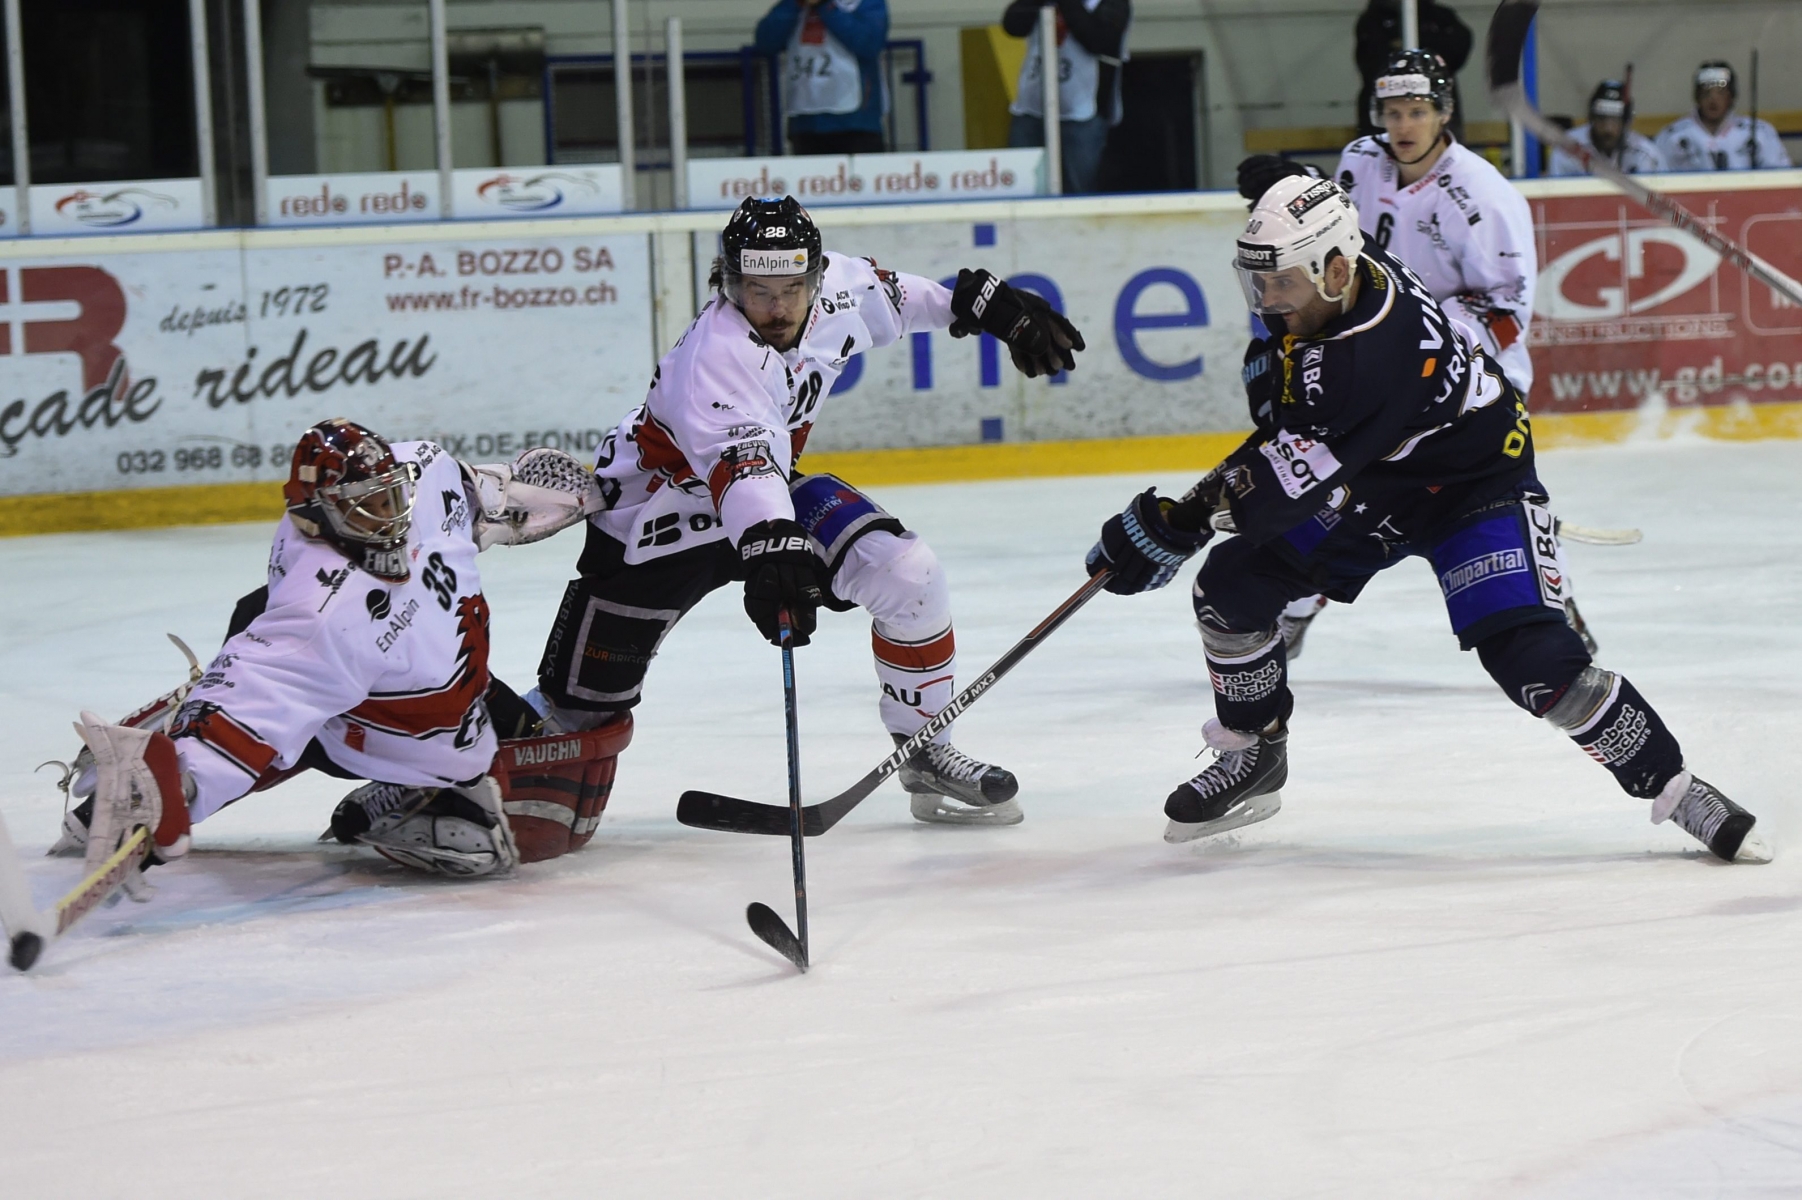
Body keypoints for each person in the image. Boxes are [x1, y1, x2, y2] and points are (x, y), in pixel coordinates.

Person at [1081, 174, 1771, 865]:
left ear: (1337, 270)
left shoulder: (1368, 358)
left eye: (1282, 283)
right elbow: (1291, 440)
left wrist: (1175, 522)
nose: (1268, 302)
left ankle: (1680, 790)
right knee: (1231, 589)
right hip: (1375, 480)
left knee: (1534, 661)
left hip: (1474, 487)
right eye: (1260, 283)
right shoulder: (1346, 278)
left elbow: (1277, 483)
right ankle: (1255, 754)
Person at [530, 196, 1085, 826]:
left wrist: (984, 307)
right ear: (729, 282)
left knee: (905, 572)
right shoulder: (715, 355)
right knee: (571, 720)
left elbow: (903, 300)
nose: (777, 308)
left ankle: (925, 748)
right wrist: (773, 545)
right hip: (654, 522)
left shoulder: (841, 292)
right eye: (758, 290)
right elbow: (742, 471)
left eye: (793, 288)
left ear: (816, 277)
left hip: (768, 498)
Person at [48, 420, 628, 881]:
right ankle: (168, 757)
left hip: (439, 689)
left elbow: (491, 497)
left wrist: (572, 498)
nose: (387, 518)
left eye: (388, 497)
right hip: (366, 726)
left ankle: (200, 720)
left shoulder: (423, 474)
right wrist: (178, 787)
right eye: (364, 507)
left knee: (522, 760)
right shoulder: (320, 613)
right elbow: (270, 695)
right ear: (315, 519)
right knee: (279, 709)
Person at [1239, 50, 1600, 658]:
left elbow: (1508, 314)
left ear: (1444, 112)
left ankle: (1550, 608)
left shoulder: (1483, 195)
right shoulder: (1360, 160)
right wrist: (1294, 186)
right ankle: (1295, 605)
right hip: (1373, 369)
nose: (1403, 126)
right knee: (1328, 486)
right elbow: (1339, 236)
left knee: (1482, 508)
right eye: (1392, 112)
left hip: (1471, 385)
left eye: (1418, 111)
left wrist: (1407, 332)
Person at [1003, 0, 1130, 194]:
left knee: (1080, 188)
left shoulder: (1112, 3)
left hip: (1084, 112)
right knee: (1022, 185)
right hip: (1032, 108)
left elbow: (1100, 40)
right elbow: (1012, 25)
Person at [753, 0, 890, 156]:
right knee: (811, 179)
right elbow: (766, 43)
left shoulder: (866, 3)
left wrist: (826, 6)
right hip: (805, 119)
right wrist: (793, 5)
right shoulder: (792, 5)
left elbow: (869, 43)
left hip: (855, 121)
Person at [1354, 0, 1471, 140]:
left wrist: (1418, 45)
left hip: (1437, 112)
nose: (1405, 127)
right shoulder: (1374, 20)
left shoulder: (1440, 17)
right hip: (1381, 119)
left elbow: (1456, 50)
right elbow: (1372, 65)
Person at [1655, 61, 1790, 172]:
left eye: (1720, 92)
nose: (1713, 100)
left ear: (1731, 96)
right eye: (1706, 93)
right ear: (1696, 96)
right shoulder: (1672, 136)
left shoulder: (1759, 132)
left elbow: (1781, 176)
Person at [1548, 80, 1666, 177]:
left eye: (1615, 120)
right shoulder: (1567, 149)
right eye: (1602, 118)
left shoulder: (1647, 154)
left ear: (1627, 122)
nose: (1608, 128)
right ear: (1591, 118)